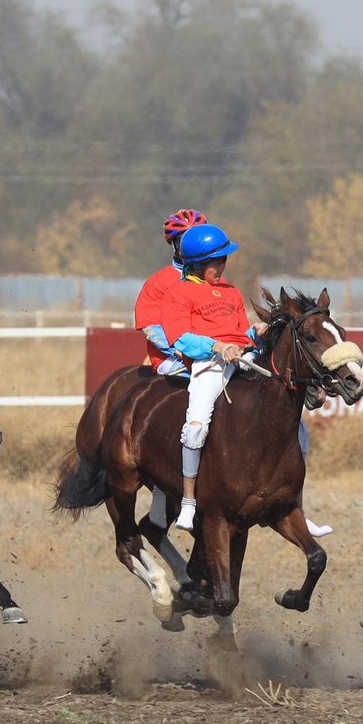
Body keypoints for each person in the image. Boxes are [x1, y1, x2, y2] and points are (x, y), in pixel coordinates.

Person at [166, 223, 253, 533]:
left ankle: (296, 504)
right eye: (218, 261)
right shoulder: (179, 293)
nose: (223, 266)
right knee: (195, 429)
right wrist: (217, 346)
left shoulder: (233, 292)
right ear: (199, 264)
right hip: (210, 363)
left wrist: (257, 334)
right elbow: (181, 338)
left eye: (224, 260)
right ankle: (189, 500)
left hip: (242, 358)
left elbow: (243, 332)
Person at [135, 209, 207, 377]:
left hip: (211, 353)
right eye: (183, 241)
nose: (191, 246)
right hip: (171, 358)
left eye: (195, 240)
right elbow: (151, 328)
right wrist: (180, 351)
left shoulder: (216, 280)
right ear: (174, 245)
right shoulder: (157, 282)